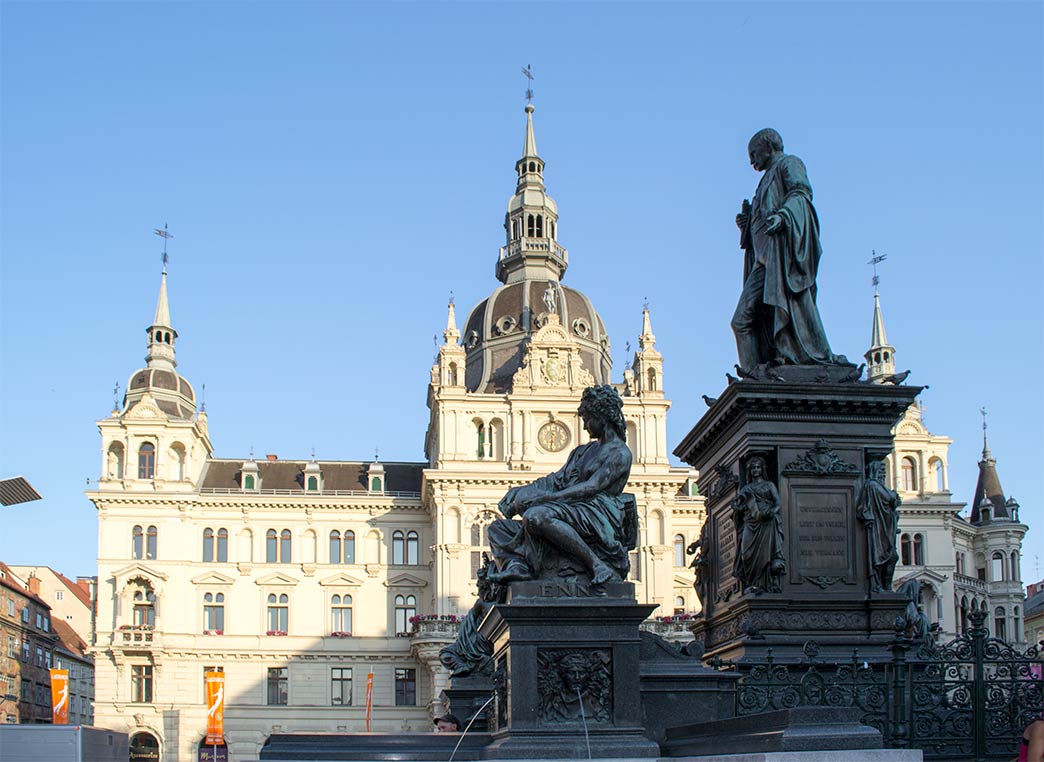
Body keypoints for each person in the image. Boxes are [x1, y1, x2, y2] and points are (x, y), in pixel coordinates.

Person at [487, 385, 633, 586]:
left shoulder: (620, 453)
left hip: (596, 511)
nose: (584, 427)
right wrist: (521, 492)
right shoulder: (583, 451)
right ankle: (518, 567)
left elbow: (591, 487)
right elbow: (556, 480)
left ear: (603, 416)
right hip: (570, 507)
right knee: (498, 528)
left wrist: (544, 499)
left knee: (536, 516)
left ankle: (597, 564)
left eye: (587, 419)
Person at [732, 128, 837, 371]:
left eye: (753, 153)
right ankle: (754, 377)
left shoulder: (789, 164)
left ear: (767, 146)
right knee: (742, 321)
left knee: (765, 314)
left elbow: (801, 194)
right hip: (763, 260)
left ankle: (786, 361)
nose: (751, 160)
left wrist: (784, 216)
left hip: (781, 258)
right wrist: (746, 226)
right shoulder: (763, 182)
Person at [732, 456, 785, 593]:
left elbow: (778, 502)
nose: (755, 470)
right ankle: (752, 581)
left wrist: (772, 511)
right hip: (750, 522)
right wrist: (736, 508)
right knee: (746, 554)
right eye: (753, 468)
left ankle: (762, 584)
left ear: (762, 469)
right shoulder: (746, 489)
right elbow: (741, 507)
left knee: (765, 553)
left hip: (766, 522)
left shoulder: (769, 485)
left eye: (758, 467)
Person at [857, 460, 901, 591]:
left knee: (892, 557)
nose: (883, 473)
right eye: (880, 470)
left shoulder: (879, 486)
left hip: (885, 528)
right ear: (874, 471)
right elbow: (889, 498)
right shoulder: (872, 485)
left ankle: (885, 587)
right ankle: (879, 586)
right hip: (878, 531)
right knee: (885, 558)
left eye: (884, 471)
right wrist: (893, 496)